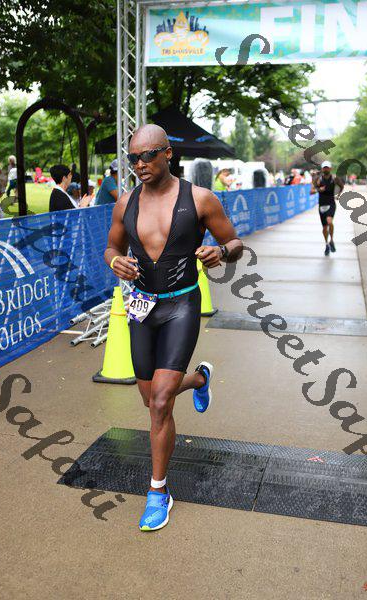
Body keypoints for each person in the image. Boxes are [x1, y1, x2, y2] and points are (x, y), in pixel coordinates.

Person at [104, 124, 243, 531]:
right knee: (150, 399)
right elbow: (111, 246)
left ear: (168, 154)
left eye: (147, 156)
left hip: (182, 304)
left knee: (161, 402)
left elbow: (235, 243)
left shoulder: (200, 199)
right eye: (133, 158)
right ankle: (200, 379)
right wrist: (115, 261)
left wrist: (221, 252)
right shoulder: (125, 203)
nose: (139, 164)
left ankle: (158, 491)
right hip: (141, 307)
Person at [313, 161, 344, 256]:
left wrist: (338, 195)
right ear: (322, 169)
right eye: (324, 167)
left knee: (329, 222)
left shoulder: (335, 178)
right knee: (324, 227)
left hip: (331, 204)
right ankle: (327, 244)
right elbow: (311, 191)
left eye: (327, 167)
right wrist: (319, 189)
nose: (326, 169)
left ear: (330, 168)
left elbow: (342, 186)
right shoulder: (318, 179)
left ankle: (332, 240)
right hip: (322, 205)